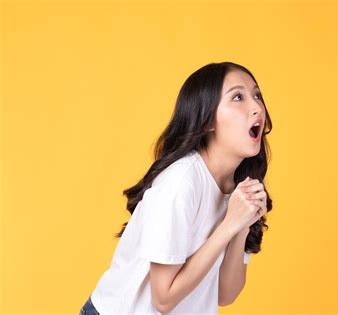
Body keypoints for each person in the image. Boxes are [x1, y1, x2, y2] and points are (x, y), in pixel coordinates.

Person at [79, 61, 273, 314]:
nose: (257, 107)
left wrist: (240, 226)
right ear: (207, 121)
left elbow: (226, 294)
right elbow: (164, 297)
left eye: (257, 95)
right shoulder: (181, 182)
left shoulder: (239, 190)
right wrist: (228, 225)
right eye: (238, 97)